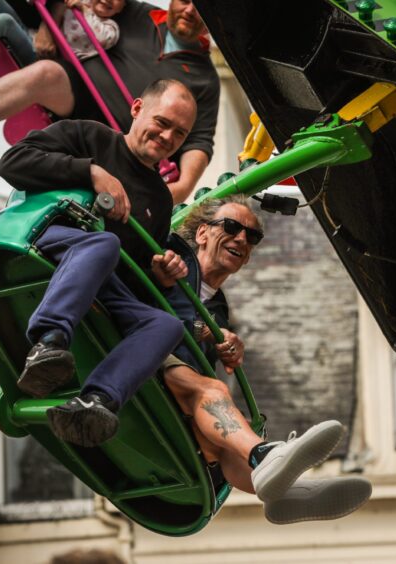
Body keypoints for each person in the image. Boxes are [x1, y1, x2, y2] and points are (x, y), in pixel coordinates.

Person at [0, 78, 196, 447]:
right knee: (103, 244)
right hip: (50, 242)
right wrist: (90, 172)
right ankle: (48, 341)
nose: (167, 137)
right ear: (137, 109)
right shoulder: (88, 136)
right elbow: (13, 162)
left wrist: (159, 277)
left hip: (101, 275)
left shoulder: (160, 199)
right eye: (162, 122)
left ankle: (97, 401)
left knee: (167, 324)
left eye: (180, 133)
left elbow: (130, 278)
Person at [159, 195, 372, 524]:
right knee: (211, 392)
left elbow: (199, 349)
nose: (242, 238)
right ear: (202, 234)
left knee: (222, 440)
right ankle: (264, 453)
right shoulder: (172, 262)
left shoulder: (219, 309)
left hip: (174, 391)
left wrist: (224, 345)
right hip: (146, 359)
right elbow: (154, 315)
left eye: (252, 236)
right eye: (231, 227)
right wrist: (205, 331)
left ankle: (287, 494)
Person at [0, 0, 218, 203]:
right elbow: (80, 4)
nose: (191, 11)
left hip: (120, 142)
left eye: (205, 8)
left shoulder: (204, 77)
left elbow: (199, 143)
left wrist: (174, 192)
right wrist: (51, 26)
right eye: (188, 0)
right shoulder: (139, 13)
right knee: (45, 73)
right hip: (75, 95)